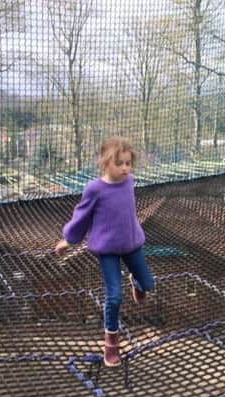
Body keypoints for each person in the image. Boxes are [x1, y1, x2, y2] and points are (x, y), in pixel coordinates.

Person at [55, 136, 155, 368]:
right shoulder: (95, 189)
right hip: (108, 250)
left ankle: (137, 282)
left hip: (131, 244)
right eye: (119, 163)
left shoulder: (129, 182)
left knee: (148, 284)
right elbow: (81, 217)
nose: (125, 168)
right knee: (114, 297)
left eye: (128, 163)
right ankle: (111, 342)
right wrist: (69, 241)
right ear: (104, 162)